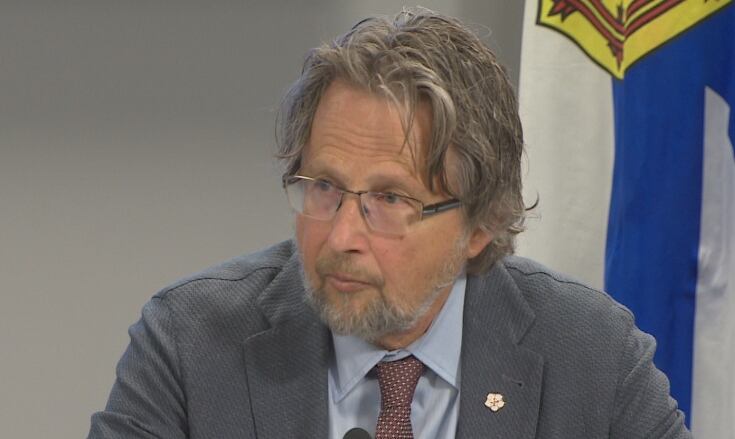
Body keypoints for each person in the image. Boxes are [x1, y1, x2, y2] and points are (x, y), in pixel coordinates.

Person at [88, 8, 691, 439]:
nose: (342, 237)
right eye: (324, 188)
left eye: (389, 200)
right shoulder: (190, 346)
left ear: (479, 223)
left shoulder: (592, 360)